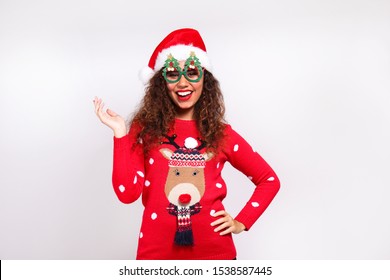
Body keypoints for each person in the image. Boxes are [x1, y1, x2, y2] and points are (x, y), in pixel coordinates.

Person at [93, 28, 280, 260]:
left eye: (192, 72)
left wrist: (242, 221)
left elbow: (269, 180)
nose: (183, 83)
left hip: (215, 256)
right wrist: (121, 134)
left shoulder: (221, 134)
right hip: (156, 256)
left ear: (205, 78)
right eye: (172, 74)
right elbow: (127, 193)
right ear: (162, 83)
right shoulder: (145, 129)